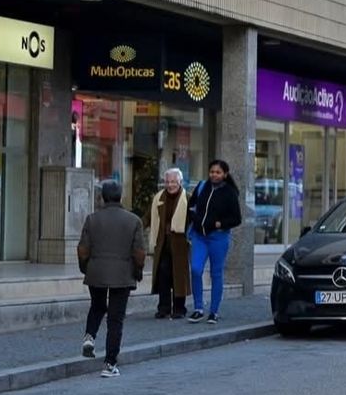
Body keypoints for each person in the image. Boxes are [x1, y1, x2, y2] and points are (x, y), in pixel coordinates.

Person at [77, 180, 146, 378]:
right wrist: (138, 271)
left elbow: (83, 249)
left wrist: (86, 268)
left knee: (97, 306)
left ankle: (89, 336)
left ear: (102, 197)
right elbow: (139, 252)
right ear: (120, 196)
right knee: (116, 319)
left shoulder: (92, 219)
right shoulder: (134, 220)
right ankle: (109, 364)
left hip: (96, 271)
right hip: (123, 273)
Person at [187, 160, 242, 324]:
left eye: (218, 172)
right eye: (212, 171)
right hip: (199, 236)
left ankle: (214, 311)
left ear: (225, 174)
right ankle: (198, 308)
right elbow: (191, 206)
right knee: (196, 269)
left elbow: (236, 218)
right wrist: (195, 220)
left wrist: (220, 224)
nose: (214, 175)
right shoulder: (202, 186)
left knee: (216, 273)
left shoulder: (230, 192)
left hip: (218, 237)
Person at [142, 168, 192, 320]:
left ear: (180, 182)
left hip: (180, 243)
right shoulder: (158, 198)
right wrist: (135, 227)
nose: (170, 185)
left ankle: (179, 308)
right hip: (162, 242)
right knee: (163, 274)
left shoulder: (187, 198)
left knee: (179, 276)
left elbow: (194, 220)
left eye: (173, 182)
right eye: (168, 182)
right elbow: (147, 218)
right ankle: (163, 308)